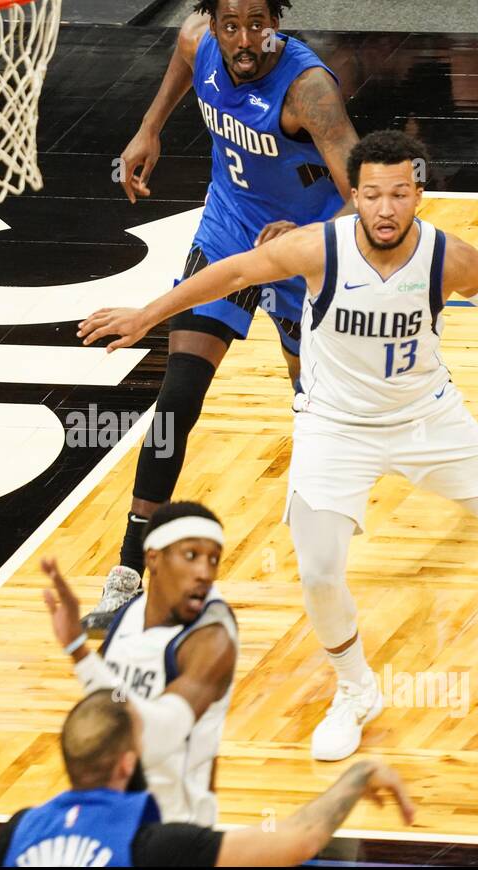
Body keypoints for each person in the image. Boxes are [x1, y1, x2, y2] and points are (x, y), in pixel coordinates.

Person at [79, 129, 478, 762]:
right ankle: (355, 690)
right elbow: (232, 272)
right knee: (321, 574)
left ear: (419, 194)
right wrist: (147, 315)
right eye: (373, 195)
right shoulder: (319, 248)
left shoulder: (446, 257)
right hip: (335, 429)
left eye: (400, 194)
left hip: (427, 419)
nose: (386, 209)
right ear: (353, 194)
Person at [83, 0, 360, 633]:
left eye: (256, 25)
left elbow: (364, 197)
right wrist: (151, 126)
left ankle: (332, 553)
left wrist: (308, 238)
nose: (242, 39)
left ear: (276, 23)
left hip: (300, 247)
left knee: (313, 410)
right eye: (228, 24)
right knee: (177, 397)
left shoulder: (308, 90)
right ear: (211, 21)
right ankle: (129, 571)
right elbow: (183, 62)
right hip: (230, 230)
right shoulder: (195, 39)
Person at [0, 689, 415, 866]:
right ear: (125, 764)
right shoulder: (157, 847)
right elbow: (298, 841)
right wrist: (360, 775)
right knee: (337, 852)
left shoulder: (18, 829)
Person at [44, 501, 236, 825]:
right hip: (113, 818)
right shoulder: (128, 616)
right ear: (153, 558)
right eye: (191, 556)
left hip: (176, 832)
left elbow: (161, 735)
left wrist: (80, 652)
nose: (204, 573)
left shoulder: (212, 638)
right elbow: (105, 709)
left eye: (213, 560)